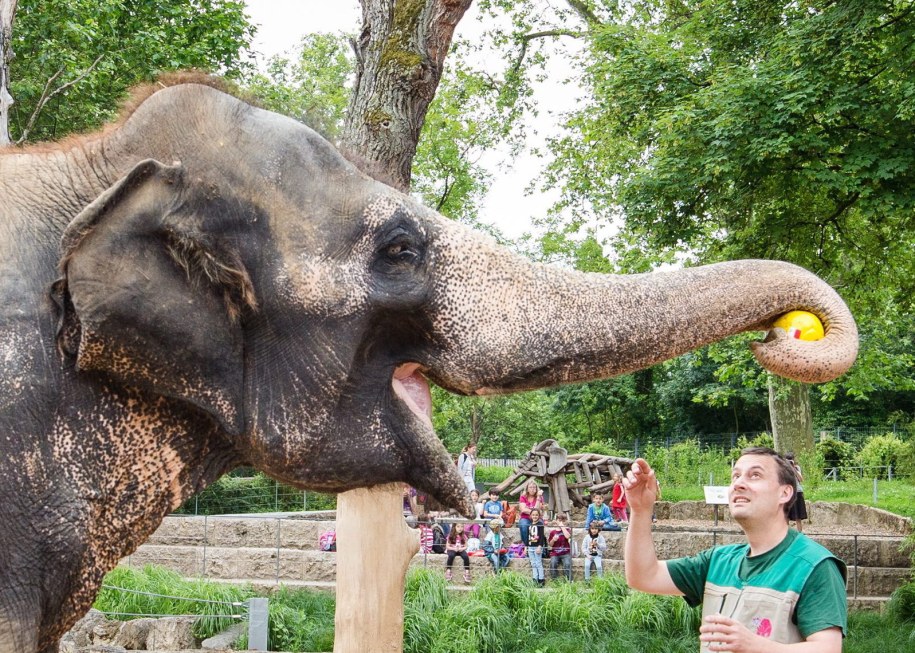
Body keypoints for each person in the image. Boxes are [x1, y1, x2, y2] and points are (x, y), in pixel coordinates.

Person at [623, 447, 847, 651]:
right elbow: (643, 576)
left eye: (755, 475)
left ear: (785, 493)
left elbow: (828, 649)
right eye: (735, 476)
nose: (739, 483)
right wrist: (641, 510)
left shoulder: (814, 565)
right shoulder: (717, 561)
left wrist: (753, 645)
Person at [517, 479, 545, 545]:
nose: (532, 489)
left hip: (537, 518)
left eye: (534, 487)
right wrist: (534, 512)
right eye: (530, 487)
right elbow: (523, 510)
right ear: (527, 489)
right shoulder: (523, 497)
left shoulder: (540, 497)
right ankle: (526, 546)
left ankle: (537, 546)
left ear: (536, 488)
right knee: (524, 525)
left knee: (539, 526)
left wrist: (538, 497)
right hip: (525, 518)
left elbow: (537, 510)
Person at [785, 452, 808, 533]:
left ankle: (800, 533)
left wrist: (793, 468)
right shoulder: (784, 469)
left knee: (798, 515)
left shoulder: (797, 468)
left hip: (797, 491)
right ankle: (786, 533)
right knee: (787, 514)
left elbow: (801, 479)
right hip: (788, 493)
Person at [548, 513, 572, 581]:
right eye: (559, 520)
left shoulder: (567, 530)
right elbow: (550, 544)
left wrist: (562, 527)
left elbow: (567, 536)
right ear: (556, 521)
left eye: (563, 521)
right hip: (555, 553)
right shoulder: (553, 532)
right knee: (553, 563)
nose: (561, 522)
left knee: (567, 564)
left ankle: (569, 580)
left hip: (566, 553)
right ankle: (555, 580)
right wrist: (553, 540)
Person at [527, 508, 547, 587]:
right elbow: (528, 536)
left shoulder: (540, 524)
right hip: (530, 546)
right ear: (530, 516)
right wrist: (526, 546)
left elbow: (541, 536)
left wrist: (539, 546)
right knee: (533, 564)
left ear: (539, 516)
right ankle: (535, 579)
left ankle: (541, 579)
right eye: (533, 515)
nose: (535, 516)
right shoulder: (530, 524)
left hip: (537, 547)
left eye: (536, 515)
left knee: (538, 563)